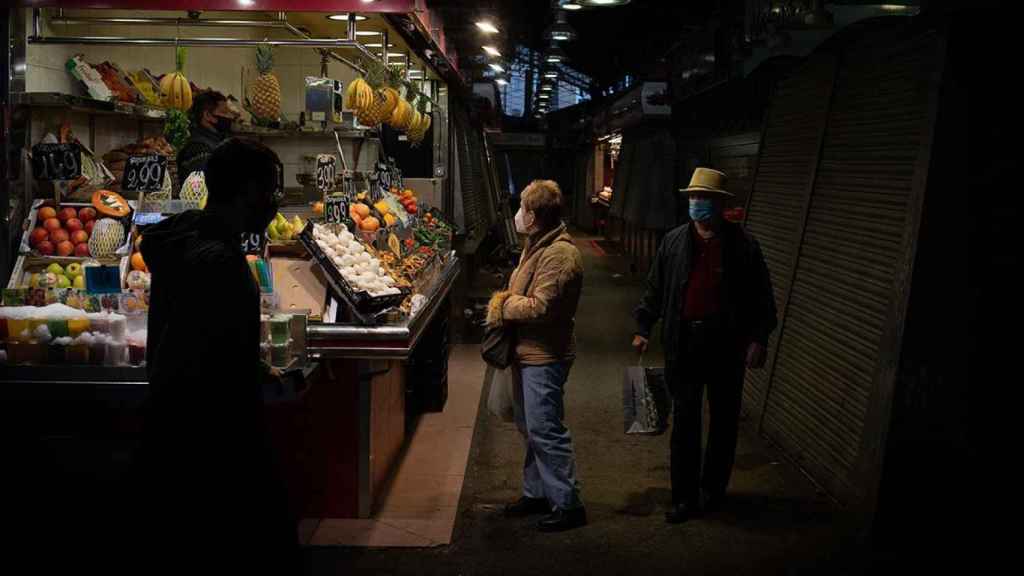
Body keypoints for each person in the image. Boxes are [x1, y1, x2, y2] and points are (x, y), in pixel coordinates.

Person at [131, 138, 297, 569]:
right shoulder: (218, 262)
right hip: (211, 445)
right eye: (271, 191)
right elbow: (205, 362)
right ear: (246, 193)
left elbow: (199, 338)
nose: (275, 204)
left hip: (175, 434)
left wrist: (256, 367)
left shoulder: (185, 241)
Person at [632, 168, 778, 524]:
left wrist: (759, 339)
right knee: (685, 421)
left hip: (726, 344)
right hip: (684, 342)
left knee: (724, 421)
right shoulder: (674, 241)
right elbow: (655, 288)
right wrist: (643, 326)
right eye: (694, 198)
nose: (697, 203)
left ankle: (713, 491)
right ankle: (683, 497)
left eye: (704, 199)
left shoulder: (744, 245)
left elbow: (763, 298)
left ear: (719, 204)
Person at [487, 180, 587, 532]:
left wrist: (502, 304)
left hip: (546, 355)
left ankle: (568, 503)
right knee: (530, 427)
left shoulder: (559, 254)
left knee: (546, 429)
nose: (518, 214)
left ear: (535, 216)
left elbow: (541, 306)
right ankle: (537, 493)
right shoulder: (537, 244)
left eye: (523, 209)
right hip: (528, 352)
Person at [177, 90, 236, 188]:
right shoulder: (198, 147)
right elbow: (204, 187)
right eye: (224, 112)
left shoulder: (219, 141)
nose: (230, 117)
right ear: (208, 115)